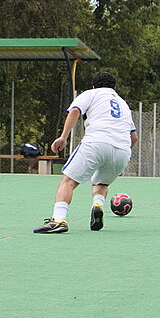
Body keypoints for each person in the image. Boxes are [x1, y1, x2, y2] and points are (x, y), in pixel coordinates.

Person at [33, 71, 138, 234]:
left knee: (68, 181)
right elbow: (134, 137)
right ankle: (97, 205)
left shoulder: (91, 93)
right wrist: (119, 151)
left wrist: (63, 137)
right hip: (123, 149)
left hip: (97, 141)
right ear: (114, 87)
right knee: (101, 182)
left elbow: (75, 111)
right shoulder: (123, 103)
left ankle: (58, 220)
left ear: (94, 85)